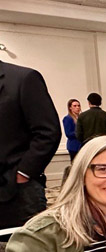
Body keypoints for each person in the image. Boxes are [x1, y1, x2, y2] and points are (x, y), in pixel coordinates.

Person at [0, 60, 61, 229]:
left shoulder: (23, 78)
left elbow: (48, 131)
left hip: (17, 192)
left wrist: (23, 173)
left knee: (25, 251)